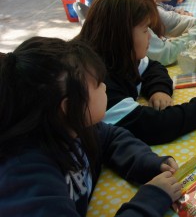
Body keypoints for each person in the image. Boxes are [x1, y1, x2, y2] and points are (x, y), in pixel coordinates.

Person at [0, 37, 182, 215]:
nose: (104, 87)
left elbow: (111, 138)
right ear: (69, 107)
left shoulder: (71, 128)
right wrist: (152, 198)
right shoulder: (29, 182)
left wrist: (149, 164)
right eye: (97, 84)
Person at [77, 0, 196, 145]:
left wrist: (158, 89)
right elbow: (156, 127)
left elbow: (153, 67)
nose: (150, 38)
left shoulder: (119, 56)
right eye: (145, 31)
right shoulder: (96, 83)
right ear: (123, 35)